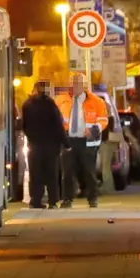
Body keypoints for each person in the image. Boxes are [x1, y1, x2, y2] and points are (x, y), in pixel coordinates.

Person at [55, 74, 109, 208]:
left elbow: (103, 120)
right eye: (73, 83)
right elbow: (56, 119)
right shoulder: (61, 100)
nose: (75, 86)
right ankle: (67, 199)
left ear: (84, 86)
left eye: (79, 84)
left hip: (87, 141)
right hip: (68, 140)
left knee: (89, 171)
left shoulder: (97, 101)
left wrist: (94, 130)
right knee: (67, 171)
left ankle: (92, 198)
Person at [21, 80, 67, 208]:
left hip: (34, 146)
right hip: (51, 146)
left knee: (35, 174)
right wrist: (66, 143)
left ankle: (36, 200)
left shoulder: (27, 105)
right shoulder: (50, 104)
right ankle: (53, 200)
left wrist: (31, 138)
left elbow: (24, 125)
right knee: (51, 174)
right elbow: (58, 125)